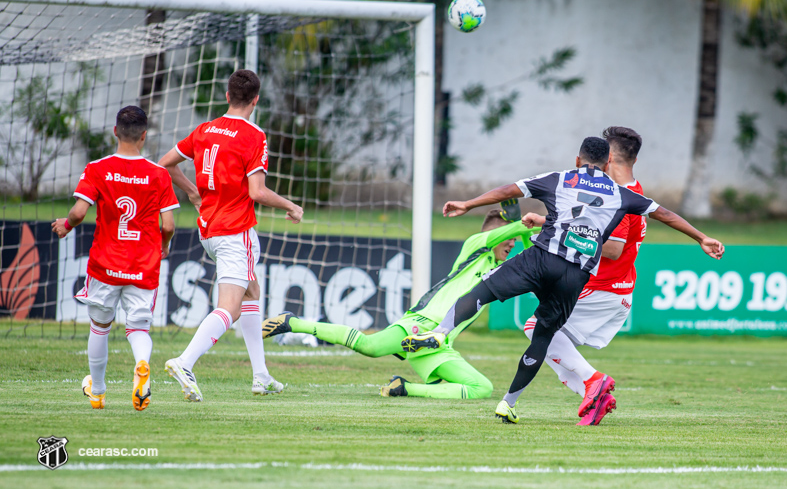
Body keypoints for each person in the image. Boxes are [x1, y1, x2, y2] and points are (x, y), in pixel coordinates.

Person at [403, 136, 725, 424]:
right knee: (542, 336)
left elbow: (509, 191)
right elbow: (665, 214)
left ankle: (440, 333)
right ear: (607, 162)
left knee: (481, 291)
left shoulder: (558, 179)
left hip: (540, 259)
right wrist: (701, 237)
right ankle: (508, 403)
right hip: (573, 277)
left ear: (577, 159)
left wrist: (468, 204)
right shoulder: (622, 195)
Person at [262, 204, 539, 399]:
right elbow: (506, 233)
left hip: (439, 343)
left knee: (482, 388)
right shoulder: (476, 245)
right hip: (421, 323)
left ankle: (404, 388)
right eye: (509, 239)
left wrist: (525, 230)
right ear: (494, 234)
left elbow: (532, 252)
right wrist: (522, 222)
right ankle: (292, 322)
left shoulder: (498, 267)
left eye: (514, 240)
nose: (512, 244)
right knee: (370, 347)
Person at [158, 69, 303, 403]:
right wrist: (291, 206)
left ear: (227, 96)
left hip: (208, 230)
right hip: (235, 231)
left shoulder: (205, 129)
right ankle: (185, 362)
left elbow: (165, 163)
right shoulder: (253, 136)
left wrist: (192, 191)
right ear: (255, 100)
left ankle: (260, 376)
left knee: (251, 291)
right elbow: (257, 191)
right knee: (231, 308)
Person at [52, 106, 179, 411]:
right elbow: (169, 225)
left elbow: (79, 211)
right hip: (143, 263)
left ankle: (97, 392)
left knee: (99, 327)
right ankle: (142, 365)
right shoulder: (159, 174)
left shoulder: (98, 168)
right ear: (144, 136)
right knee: (138, 329)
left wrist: (66, 225)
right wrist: (164, 246)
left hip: (106, 264)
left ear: (115, 132)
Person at [522, 126, 645, 426]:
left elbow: (613, 248)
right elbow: (589, 225)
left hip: (606, 287)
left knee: (537, 328)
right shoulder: (627, 192)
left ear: (610, 158)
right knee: (547, 339)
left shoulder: (620, 195)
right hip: (615, 289)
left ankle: (594, 381)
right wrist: (545, 222)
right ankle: (595, 396)